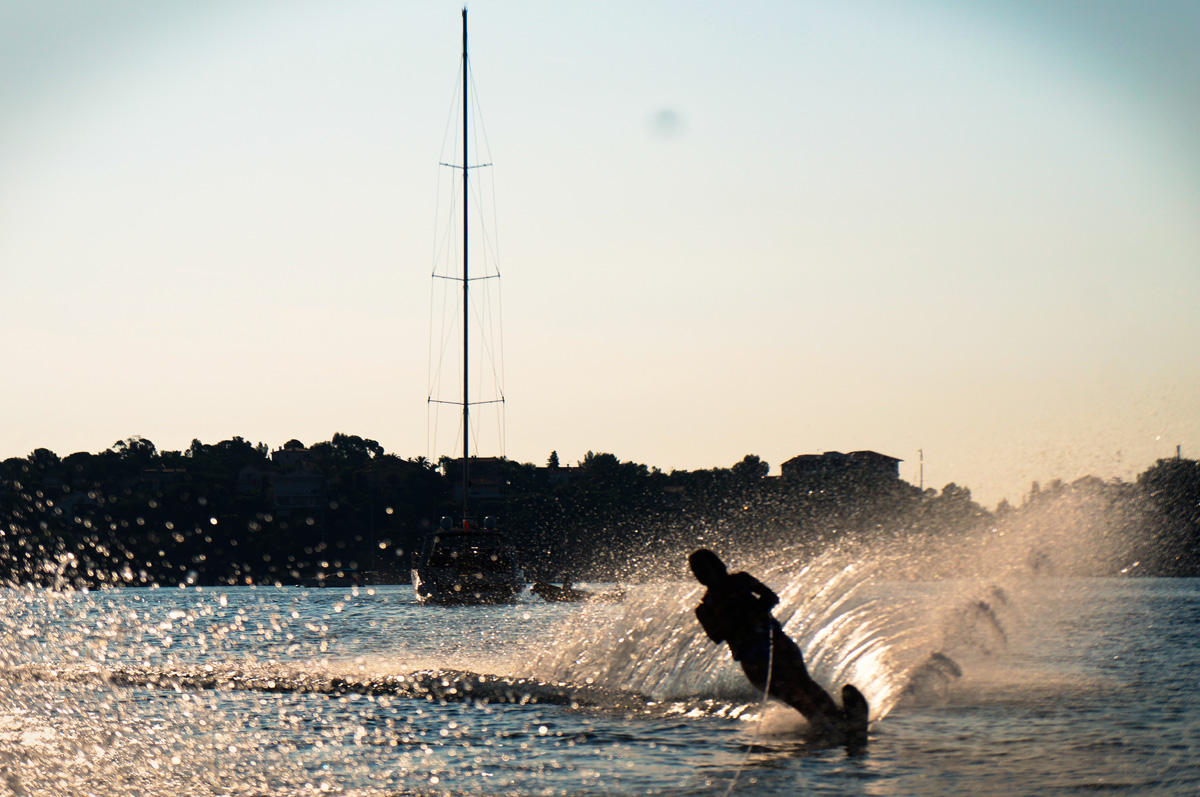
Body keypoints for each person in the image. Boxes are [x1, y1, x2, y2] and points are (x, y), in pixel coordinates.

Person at [689, 548, 868, 744]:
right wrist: (738, 620)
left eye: (702, 567)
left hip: (777, 643)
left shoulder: (741, 580)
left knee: (805, 684)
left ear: (716, 565)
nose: (699, 573)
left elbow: (771, 597)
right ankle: (825, 726)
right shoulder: (704, 608)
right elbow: (715, 636)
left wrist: (757, 609)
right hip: (752, 660)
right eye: (695, 570)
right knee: (791, 694)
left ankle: (838, 720)